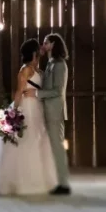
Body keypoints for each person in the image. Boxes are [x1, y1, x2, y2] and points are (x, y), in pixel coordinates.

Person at [0, 38, 58, 196]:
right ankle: (22, 181)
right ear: (33, 54)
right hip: (26, 109)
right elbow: (19, 92)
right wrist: (13, 112)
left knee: (38, 142)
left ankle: (39, 180)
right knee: (25, 143)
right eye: (37, 53)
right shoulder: (25, 70)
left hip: (36, 109)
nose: (39, 55)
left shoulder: (37, 71)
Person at [33, 33, 70, 195]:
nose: (43, 45)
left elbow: (57, 90)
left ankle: (63, 184)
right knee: (52, 147)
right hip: (49, 111)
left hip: (55, 112)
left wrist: (37, 94)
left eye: (46, 42)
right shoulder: (50, 63)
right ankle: (57, 181)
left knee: (57, 147)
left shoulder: (60, 65)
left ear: (53, 44)